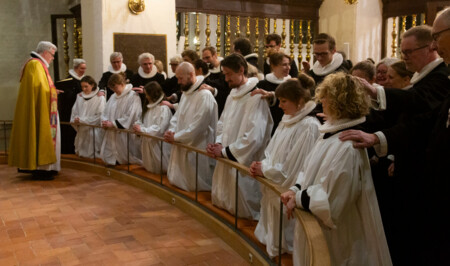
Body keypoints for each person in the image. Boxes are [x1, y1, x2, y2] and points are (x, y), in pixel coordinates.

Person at [339, 25, 450, 265]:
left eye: (408, 52)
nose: (404, 57)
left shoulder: (440, 76)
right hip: (411, 165)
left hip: (429, 172)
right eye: (402, 52)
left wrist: (376, 92)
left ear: (430, 47)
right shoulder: (427, 76)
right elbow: (405, 117)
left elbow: (419, 114)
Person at [281, 73, 391, 266]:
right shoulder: (329, 134)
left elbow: (332, 201)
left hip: (339, 235)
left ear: (340, 102)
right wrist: (295, 189)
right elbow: (308, 169)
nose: (321, 100)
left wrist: (298, 198)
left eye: (327, 96)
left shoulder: (347, 145)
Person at [249, 77, 320, 258]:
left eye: (283, 101)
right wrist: (262, 164)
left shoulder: (309, 126)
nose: (279, 106)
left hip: (287, 188)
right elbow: (272, 151)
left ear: (300, 101)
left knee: (287, 243)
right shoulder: (287, 119)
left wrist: (265, 170)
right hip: (273, 181)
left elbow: (297, 166)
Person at [207, 54, 273, 220]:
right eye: (225, 74)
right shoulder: (232, 94)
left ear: (241, 70)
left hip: (243, 159)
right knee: (226, 206)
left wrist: (225, 151)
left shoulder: (255, 95)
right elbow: (222, 123)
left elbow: (254, 136)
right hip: (227, 153)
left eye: (229, 74)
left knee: (243, 209)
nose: (226, 78)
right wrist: (219, 143)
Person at [9, 41, 60, 179]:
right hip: (41, 110)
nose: (53, 58)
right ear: (45, 52)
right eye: (52, 54)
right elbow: (40, 89)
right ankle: (41, 169)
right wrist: (53, 91)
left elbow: (42, 88)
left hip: (42, 106)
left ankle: (45, 168)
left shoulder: (37, 64)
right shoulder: (35, 65)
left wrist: (53, 91)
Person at [164, 62, 218, 191]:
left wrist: (177, 137)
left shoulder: (204, 95)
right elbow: (177, 116)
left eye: (180, 78)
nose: (178, 82)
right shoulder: (186, 93)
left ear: (191, 75)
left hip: (198, 144)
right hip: (182, 142)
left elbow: (199, 126)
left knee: (195, 185)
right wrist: (171, 131)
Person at [100, 73, 142, 165]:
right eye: (112, 88)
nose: (114, 90)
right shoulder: (113, 97)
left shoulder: (132, 96)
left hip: (124, 131)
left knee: (125, 153)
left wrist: (114, 124)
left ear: (122, 84)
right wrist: (105, 121)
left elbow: (132, 114)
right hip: (112, 131)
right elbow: (105, 112)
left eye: (115, 87)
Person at [133, 81, 172, 174]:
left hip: (158, 143)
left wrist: (143, 130)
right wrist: (138, 126)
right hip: (147, 140)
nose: (146, 97)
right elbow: (141, 119)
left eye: (147, 94)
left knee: (160, 168)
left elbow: (160, 128)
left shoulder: (163, 108)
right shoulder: (149, 107)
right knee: (149, 167)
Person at [70, 75, 106, 159]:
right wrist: (76, 120)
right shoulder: (80, 97)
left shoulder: (99, 98)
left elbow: (100, 115)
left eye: (86, 86)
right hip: (82, 130)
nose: (83, 89)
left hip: (93, 131)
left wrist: (84, 120)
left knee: (93, 154)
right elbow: (74, 111)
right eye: (82, 87)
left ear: (92, 85)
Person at [257, 51, 292, 134]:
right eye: (284, 65)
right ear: (273, 66)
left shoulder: (291, 84)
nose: (288, 68)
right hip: (268, 125)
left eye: (289, 64)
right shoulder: (263, 84)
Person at [57, 58, 87, 154]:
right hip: (68, 110)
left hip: (80, 109)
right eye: (81, 68)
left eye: (84, 68)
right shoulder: (68, 80)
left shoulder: (84, 80)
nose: (83, 71)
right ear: (75, 68)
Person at [202, 46, 230, 116]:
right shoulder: (206, 71)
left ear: (215, 55)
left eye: (207, 57)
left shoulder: (224, 68)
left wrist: (214, 90)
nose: (205, 61)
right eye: (203, 58)